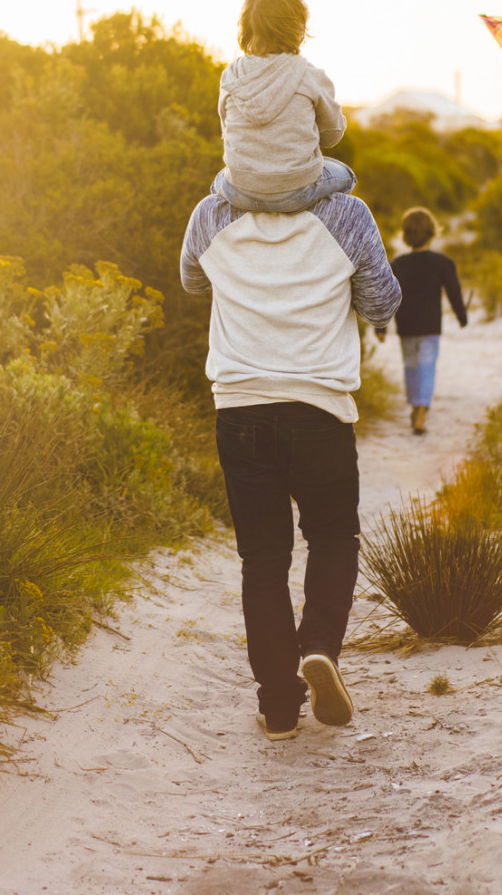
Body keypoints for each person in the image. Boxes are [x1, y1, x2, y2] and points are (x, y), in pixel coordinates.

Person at [179, 129, 401, 741]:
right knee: (333, 538)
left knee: (263, 559)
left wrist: (248, 284)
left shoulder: (211, 213)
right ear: (314, 136)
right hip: (319, 410)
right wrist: (336, 286)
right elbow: (383, 304)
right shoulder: (347, 214)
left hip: (241, 412)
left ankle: (279, 705)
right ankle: (320, 646)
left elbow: (194, 282)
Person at [211, 0, 357, 213]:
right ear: (297, 27)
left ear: (247, 26)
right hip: (296, 193)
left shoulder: (231, 76)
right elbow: (332, 136)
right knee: (347, 176)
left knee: (219, 180)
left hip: (240, 191)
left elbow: (226, 131)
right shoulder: (310, 75)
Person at [375, 207, 467, 435]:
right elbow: (454, 292)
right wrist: (462, 316)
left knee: (411, 366)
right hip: (430, 327)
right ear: (432, 232)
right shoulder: (442, 262)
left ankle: (415, 405)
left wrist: (381, 326)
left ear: (405, 236)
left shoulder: (397, 264)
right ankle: (421, 412)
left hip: (406, 327)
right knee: (426, 367)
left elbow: (386, 296)